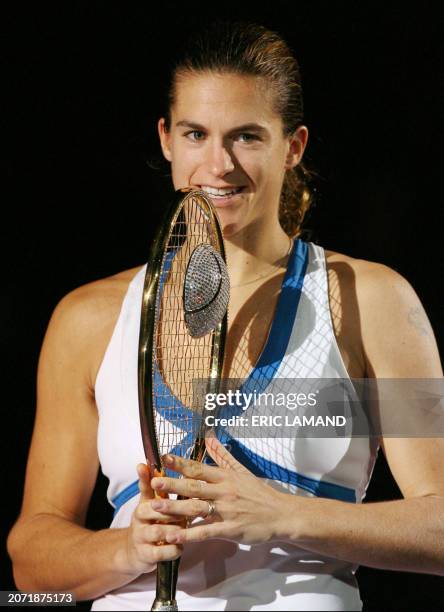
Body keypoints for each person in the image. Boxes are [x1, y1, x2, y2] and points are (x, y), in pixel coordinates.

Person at [7, 20, 444, 612]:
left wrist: (287, 514)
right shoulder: (88, 319)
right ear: (166, 139)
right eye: (195, 134)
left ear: (294, 146)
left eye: (246, 137)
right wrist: (129, 549)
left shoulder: (372, 300)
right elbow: (31, 574)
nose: (217, 165)